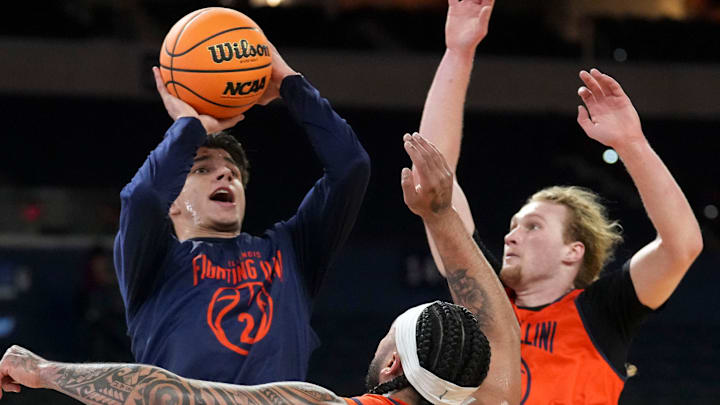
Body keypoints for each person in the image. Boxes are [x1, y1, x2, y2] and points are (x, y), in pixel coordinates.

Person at [0, 135, 520, 405]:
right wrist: (440, 215)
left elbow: (158, 392)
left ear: (391, 367)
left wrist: (44, 372)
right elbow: (500, 335)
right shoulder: (487, 396)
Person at [418, 1, 703, 404]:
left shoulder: (603, 312)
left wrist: (632, 144)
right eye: (515, 223)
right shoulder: (482, 295)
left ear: (574, 252)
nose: (511, 235)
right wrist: (457, 53)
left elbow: (682, 246)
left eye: (532, 226)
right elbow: (434, 179)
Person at [112, 40, 371, 386]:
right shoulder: (154, 261)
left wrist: (290, 84)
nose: (225, 175)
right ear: (172, 201)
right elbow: (141, 197)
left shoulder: (291, 251)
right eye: (203, 169)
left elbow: (351, 167)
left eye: (232, 172)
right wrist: (189, 128)